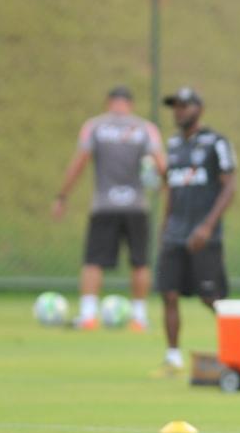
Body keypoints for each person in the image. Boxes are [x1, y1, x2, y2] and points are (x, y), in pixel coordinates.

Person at [52, 85, 165, 331]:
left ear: (108, 102)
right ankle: (139, 318)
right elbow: (161, 167)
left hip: (104, 205)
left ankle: (88, 316)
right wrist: (165, 192)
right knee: (140, 262)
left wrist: (62, 196)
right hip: (137, 206)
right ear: (130, 104)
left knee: (94, 260)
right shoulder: (145, 128)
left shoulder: (95, 126)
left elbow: (79, 162)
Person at [155, 87, 237, 374]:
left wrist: (207, 225)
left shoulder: (216, 143)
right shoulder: (174, 144)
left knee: (211, 297)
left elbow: (229, 186)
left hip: (204, 235)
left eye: (184, 106)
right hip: (175, 233)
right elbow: (171, 189)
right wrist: (165, 228)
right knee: (169, 293)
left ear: (199, 109)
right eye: (175, 106)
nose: (179, 111)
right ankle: (173, 356)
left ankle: (236, 350)